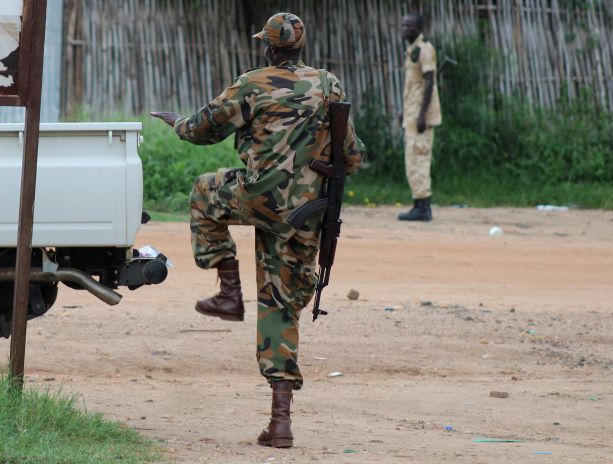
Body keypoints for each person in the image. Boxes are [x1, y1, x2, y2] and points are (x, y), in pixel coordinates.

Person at [151, 12, 364, 449]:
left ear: (269, 48)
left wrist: (175, 122)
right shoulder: (328, 85)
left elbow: (200, 130)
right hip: (308, 211)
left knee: (203, 193)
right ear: (300, 48)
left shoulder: (252, 82)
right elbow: (353, 156)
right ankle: (281, 421)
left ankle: (228, 291)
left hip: (259, 198)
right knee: (281, 304)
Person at [397, 12, 441, 222]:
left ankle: (423, 207)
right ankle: (418, 204)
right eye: (404, 26)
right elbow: (413, 85)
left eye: (409, 26)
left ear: (419, 28)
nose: (405, 29)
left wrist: (423, 114)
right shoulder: (412, 50)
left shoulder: (424, 50)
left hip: (420, 115)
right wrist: (404, 111)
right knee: (411, 159)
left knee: (419, 157)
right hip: (412, 111)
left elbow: (430, 81)